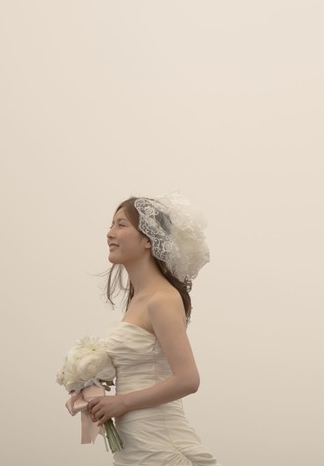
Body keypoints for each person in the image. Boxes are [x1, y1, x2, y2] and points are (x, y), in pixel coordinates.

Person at [87, 193, 219, 466]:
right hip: (135, 445)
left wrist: (120, 403)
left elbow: (188, 379)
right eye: (111, 225)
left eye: (121, 225)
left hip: (159, 445)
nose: (110, 233)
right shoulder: (138, 299)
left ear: (148, 239)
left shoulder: (163, 298)